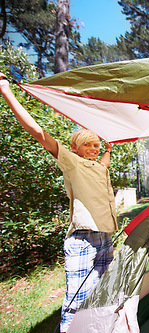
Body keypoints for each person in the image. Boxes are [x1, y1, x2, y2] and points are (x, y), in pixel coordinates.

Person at [0, 74, 118, 333]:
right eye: (88, 144)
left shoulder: (100, 167)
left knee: (102, 291)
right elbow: (38, 132)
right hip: (83, 238)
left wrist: (110, 144)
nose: (94, 148)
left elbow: (106, 157)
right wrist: (6, 91)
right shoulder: (71, 162)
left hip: (106, 236)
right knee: (76, 298)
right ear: (75, 148)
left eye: (96, 145)